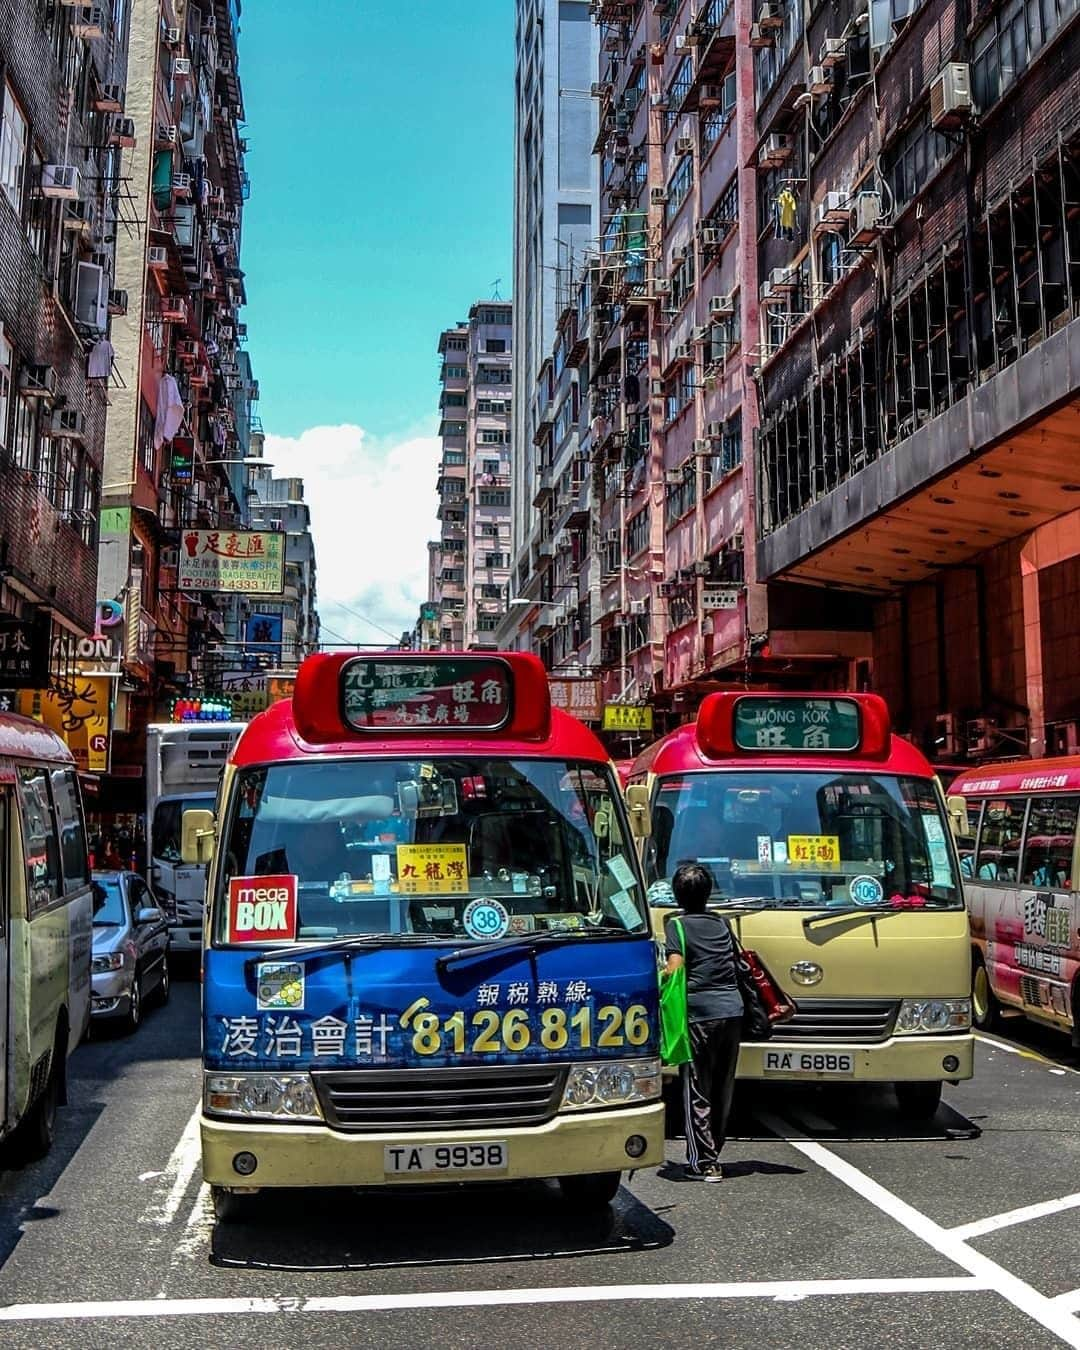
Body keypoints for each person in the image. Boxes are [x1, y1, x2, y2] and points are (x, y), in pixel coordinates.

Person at [664, 861, 743, 1182]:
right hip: (732, 1011)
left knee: (697, 1087)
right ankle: (714, 1150)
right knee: (723, 1087)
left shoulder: (677, 927)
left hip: (700, 1014)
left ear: (677, 895)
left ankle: (704, 1162)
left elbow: (674, 969)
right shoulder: (722, 923)